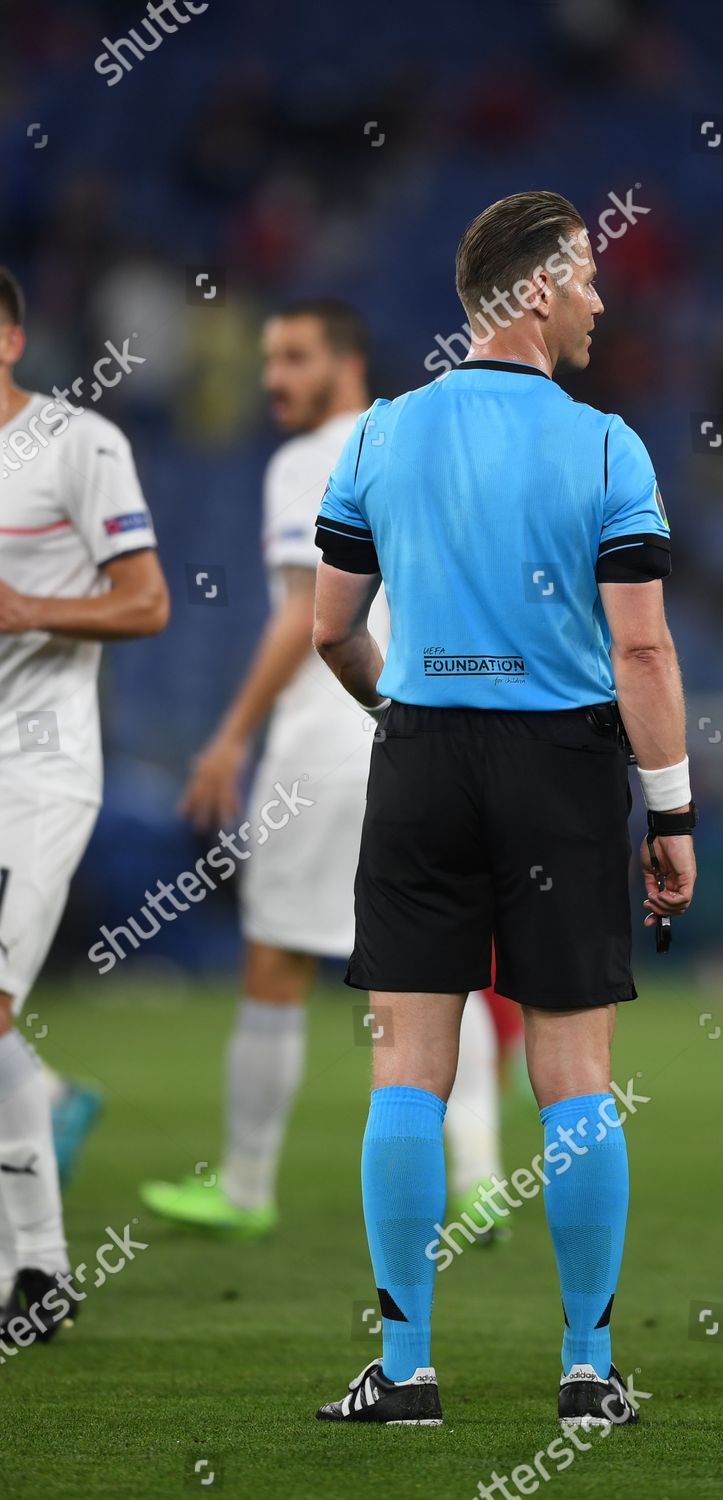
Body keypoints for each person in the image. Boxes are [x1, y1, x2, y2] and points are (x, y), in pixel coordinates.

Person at [310, 190, 695, 1427]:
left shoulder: (378, 434)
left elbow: (330, 628)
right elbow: (640, 656)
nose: (597, 296)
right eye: (582, 276)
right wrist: (671, 816)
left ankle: (407, 1373)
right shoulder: (605, 447)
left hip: (420, 756)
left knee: (405, 1074)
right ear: (532, 293)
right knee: (573, 1070)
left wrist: (405, 723)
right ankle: (586, 1370)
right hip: (563, 771)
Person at [139, 302, 507, 1238]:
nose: (274, 380)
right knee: (441, 964)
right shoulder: (429, 441)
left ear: (347, 363)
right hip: (434, 736)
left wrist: (228, 737)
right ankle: (481, 1179)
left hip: (327, 739)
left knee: (274, 963)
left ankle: (247, 1186)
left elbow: (303, 616)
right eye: (268, 359)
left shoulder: (307, 461)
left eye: (294, 358)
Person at [0, 265, 168, 1340]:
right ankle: (44, 1098)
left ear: (9, 338)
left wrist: (20, 604)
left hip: (36, 769)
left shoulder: (78, 443)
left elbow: (147, 600)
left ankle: (39, 1269)